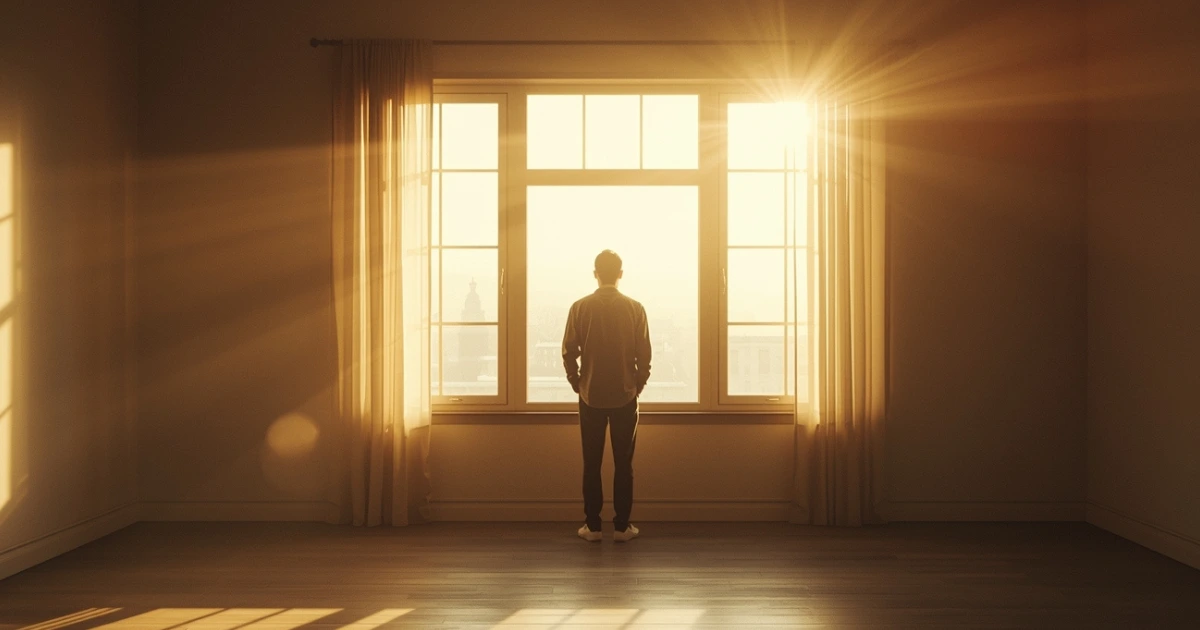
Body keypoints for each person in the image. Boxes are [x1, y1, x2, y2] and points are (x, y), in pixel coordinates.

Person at [562, 250, 651, 543]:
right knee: (624, 464)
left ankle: (593, 526)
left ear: (595, 273)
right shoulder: (635, 309)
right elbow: (644, 354)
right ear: (621, 274)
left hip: (591, 395)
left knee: (592, 463)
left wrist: (577, 381)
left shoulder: (580, 308)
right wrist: (638, 384)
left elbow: (568, 351)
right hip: (625, 395)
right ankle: (623, 527)